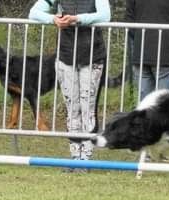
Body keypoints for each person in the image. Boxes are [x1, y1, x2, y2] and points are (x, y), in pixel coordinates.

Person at [29, 0, 110, 171]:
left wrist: (78, 19)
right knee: (72, 107)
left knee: (87, 107)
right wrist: (53, 19)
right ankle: (75, 157)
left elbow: (105, 15)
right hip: (65, 56)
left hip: (92, 57)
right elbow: (34, 12)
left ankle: (86, 158)